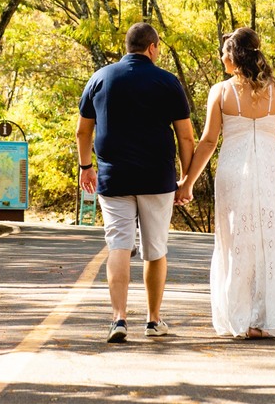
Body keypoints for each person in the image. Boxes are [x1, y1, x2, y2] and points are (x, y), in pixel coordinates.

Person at [177, 27, 275, 339]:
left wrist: (187, 182)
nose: (221, 57)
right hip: (271, 169)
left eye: (224, 52)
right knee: (272, 240)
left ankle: (242, 317)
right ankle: (269, 318)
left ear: (234, 56)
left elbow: (208, 142)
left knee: (236, 241)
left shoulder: (222, 92)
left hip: (234, 171)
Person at [77, 22, 195, 343]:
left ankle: (118, 320)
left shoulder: (100, 78)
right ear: (152, 47)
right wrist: (186, 178)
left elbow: (82, 131)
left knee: (119, 245)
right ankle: (154, 321)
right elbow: (185, 135)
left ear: (127, 46)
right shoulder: (167, 81)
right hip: (157, 178)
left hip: (113, 178)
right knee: (155, 248)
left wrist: (86, 166)